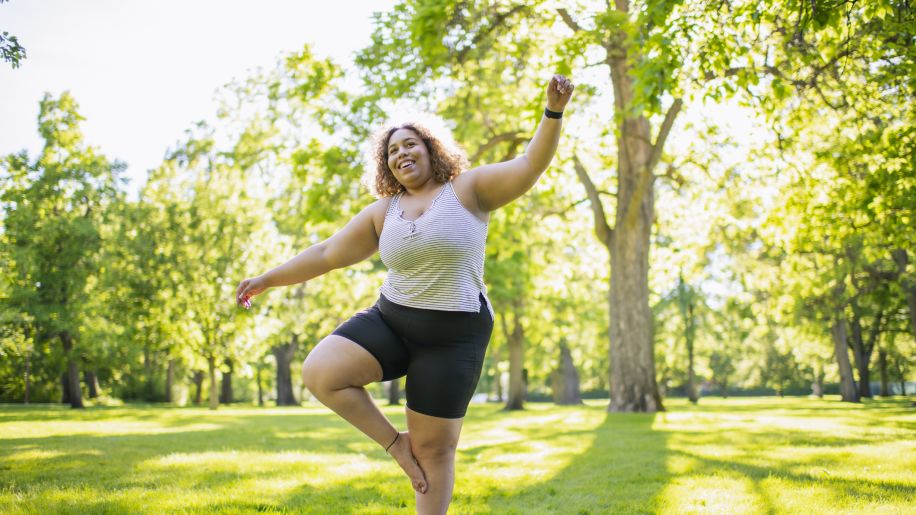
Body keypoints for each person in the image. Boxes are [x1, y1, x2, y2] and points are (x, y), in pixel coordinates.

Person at [235, 74, 574, 514]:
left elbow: (529, 165)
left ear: (432, 150)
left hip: (454, 335)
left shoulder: (468, 190)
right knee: (321, 371)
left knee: (434, 452)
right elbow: (326, 253)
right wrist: (267, 279)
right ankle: (396, 445)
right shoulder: (384, 212)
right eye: (392, 151)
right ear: (386, 166)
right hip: (392, 320)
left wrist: (552, 111)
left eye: (410, 144)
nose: (401, 153)